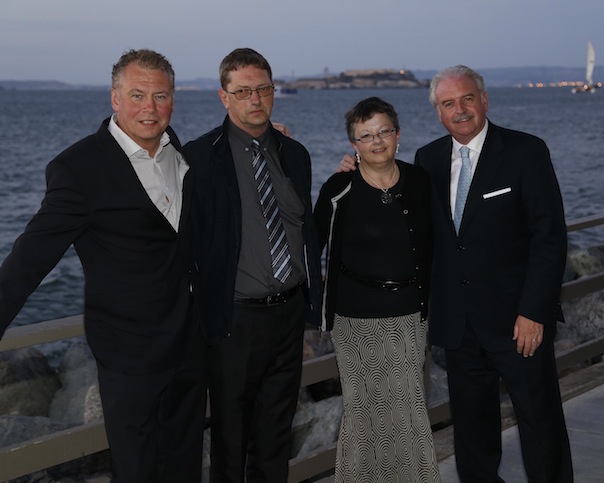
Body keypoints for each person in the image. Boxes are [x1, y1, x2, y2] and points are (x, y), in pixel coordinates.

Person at [341, 65, 573, 482]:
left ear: (484, 100)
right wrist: (356, 170)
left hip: (519, 324)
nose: (460, 109)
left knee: (540, 426)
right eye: (448, 103)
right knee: (472, 434)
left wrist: (534, 311)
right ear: (438, 112)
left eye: (467, 98)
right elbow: (398, 212)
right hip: (459, 328)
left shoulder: (525, 151)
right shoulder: (427, 159)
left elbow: (549, 238)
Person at [0, 49, 207, 483]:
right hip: (129, 353)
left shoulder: (184, 156)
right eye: (136, 95)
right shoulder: (78, 168)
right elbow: (32, 255)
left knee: (184, 465)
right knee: (135, 471)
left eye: (161, 96)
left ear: (173, 99)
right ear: (114, 98)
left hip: (190, 345)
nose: (149, 108)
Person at [183, 48, 322, 483]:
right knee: (230, 439)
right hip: (234, 322)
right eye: (242, 91)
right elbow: (186, 242)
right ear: (224, 97)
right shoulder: (199, 159)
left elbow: (305, 229)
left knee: (275, 436)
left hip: (288, 316)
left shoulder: (294, 154)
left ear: (273, 91)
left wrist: (310, 308)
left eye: (262, 89)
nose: (255, 99)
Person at [314, 97, 440, 482]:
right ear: (354, 144)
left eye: (384, 131)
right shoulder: (339, 188)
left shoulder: (419, 181)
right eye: (366, 135)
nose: (377, 141)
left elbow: (438, 241)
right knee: (364, 407)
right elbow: (311, 246)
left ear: (398, 135)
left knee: (408, 406)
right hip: (355, 319)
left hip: (408, 313)